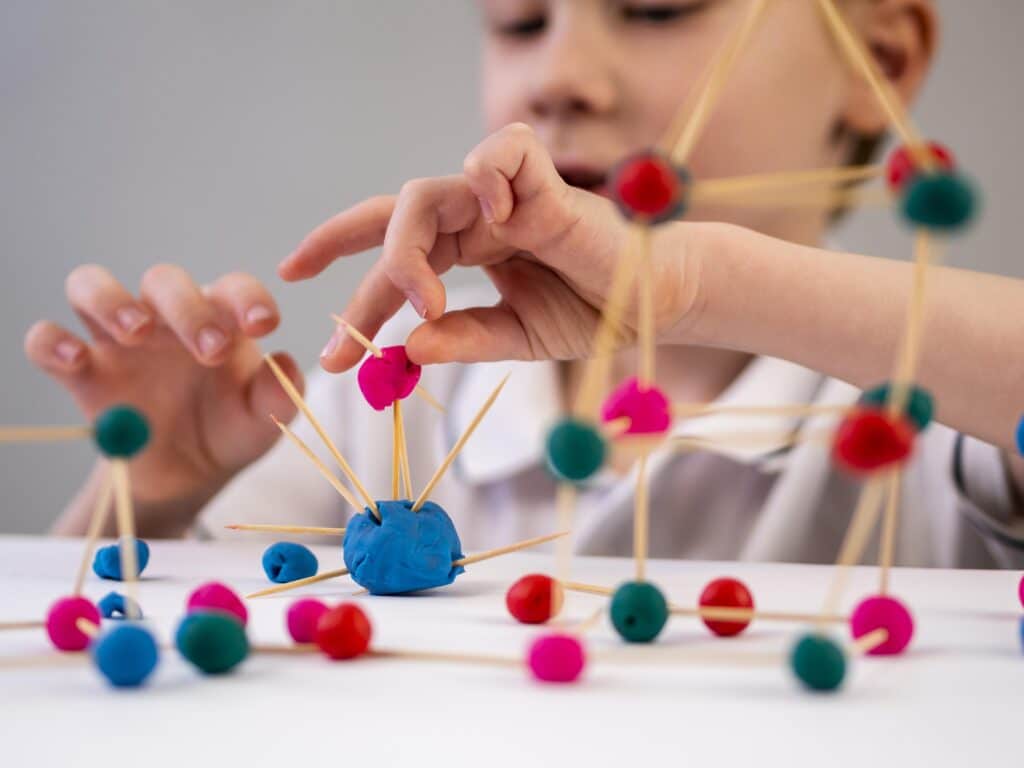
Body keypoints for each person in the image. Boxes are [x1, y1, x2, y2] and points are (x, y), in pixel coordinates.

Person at [27, 0, 1024, 567]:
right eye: (516, 20)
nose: (560, 75)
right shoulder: (383, 403)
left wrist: (696, 283)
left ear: (879, 56)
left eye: (654, 7)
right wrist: (151, 495)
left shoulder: (939, 415)